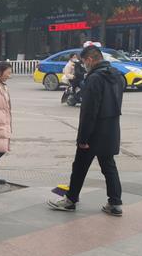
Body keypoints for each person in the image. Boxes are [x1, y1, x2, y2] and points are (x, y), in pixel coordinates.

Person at [48, 45, 125, 216]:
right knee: (109, 167)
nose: (84, 65)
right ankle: (115, 203)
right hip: (111, 129)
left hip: (93, 132)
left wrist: (83, 138)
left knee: (79, 167)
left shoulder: (94, 78)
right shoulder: (116, 75)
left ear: (90, 59)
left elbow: (89, 112)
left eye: (84, 62)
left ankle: (70, 200)